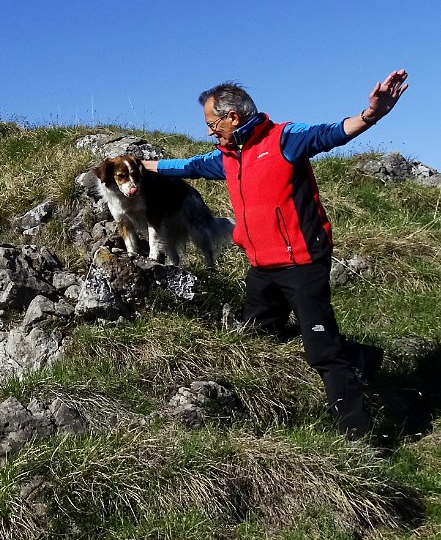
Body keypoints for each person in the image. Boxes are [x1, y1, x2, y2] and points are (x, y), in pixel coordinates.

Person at [145, 70, 409, 439]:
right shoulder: (226, 157)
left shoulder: (284, 138)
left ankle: (360, 439)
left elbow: (331, 133)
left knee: (323, 354)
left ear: (232, 117)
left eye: (211, 123)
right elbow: (188, 166)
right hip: (261, 269)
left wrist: (372, 114)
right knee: (257, 333)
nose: (209, 131)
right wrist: (145, 167)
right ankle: (361, 357)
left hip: (302, 264)